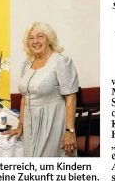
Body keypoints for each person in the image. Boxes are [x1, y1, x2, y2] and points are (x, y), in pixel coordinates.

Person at [6, 22, 79, 157]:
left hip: (53, 123)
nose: (35, 41)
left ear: (49, 39)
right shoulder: (27, 64)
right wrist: (20, 126)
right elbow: (24, 98)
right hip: (30, 125)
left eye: (40, 36)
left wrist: (69, 131)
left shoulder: (61, 61)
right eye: (31, 38)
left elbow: (71, 98)